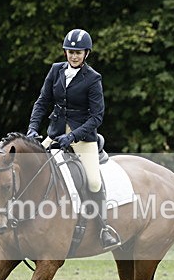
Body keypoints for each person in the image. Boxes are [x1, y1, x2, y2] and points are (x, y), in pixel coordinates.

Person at [27, 29, 121, 251]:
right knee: (30, 168)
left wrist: (73, 136)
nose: (73, 56)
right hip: (55, 134)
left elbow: (97, 116)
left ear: (86, 54)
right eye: (70, 52)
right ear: (65, 52)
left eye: (78, 52)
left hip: (82, 138)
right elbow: (42, 102)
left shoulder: (93, 78)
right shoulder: (55, 70)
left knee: (94, 181)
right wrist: (32, 129)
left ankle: (103, 227)